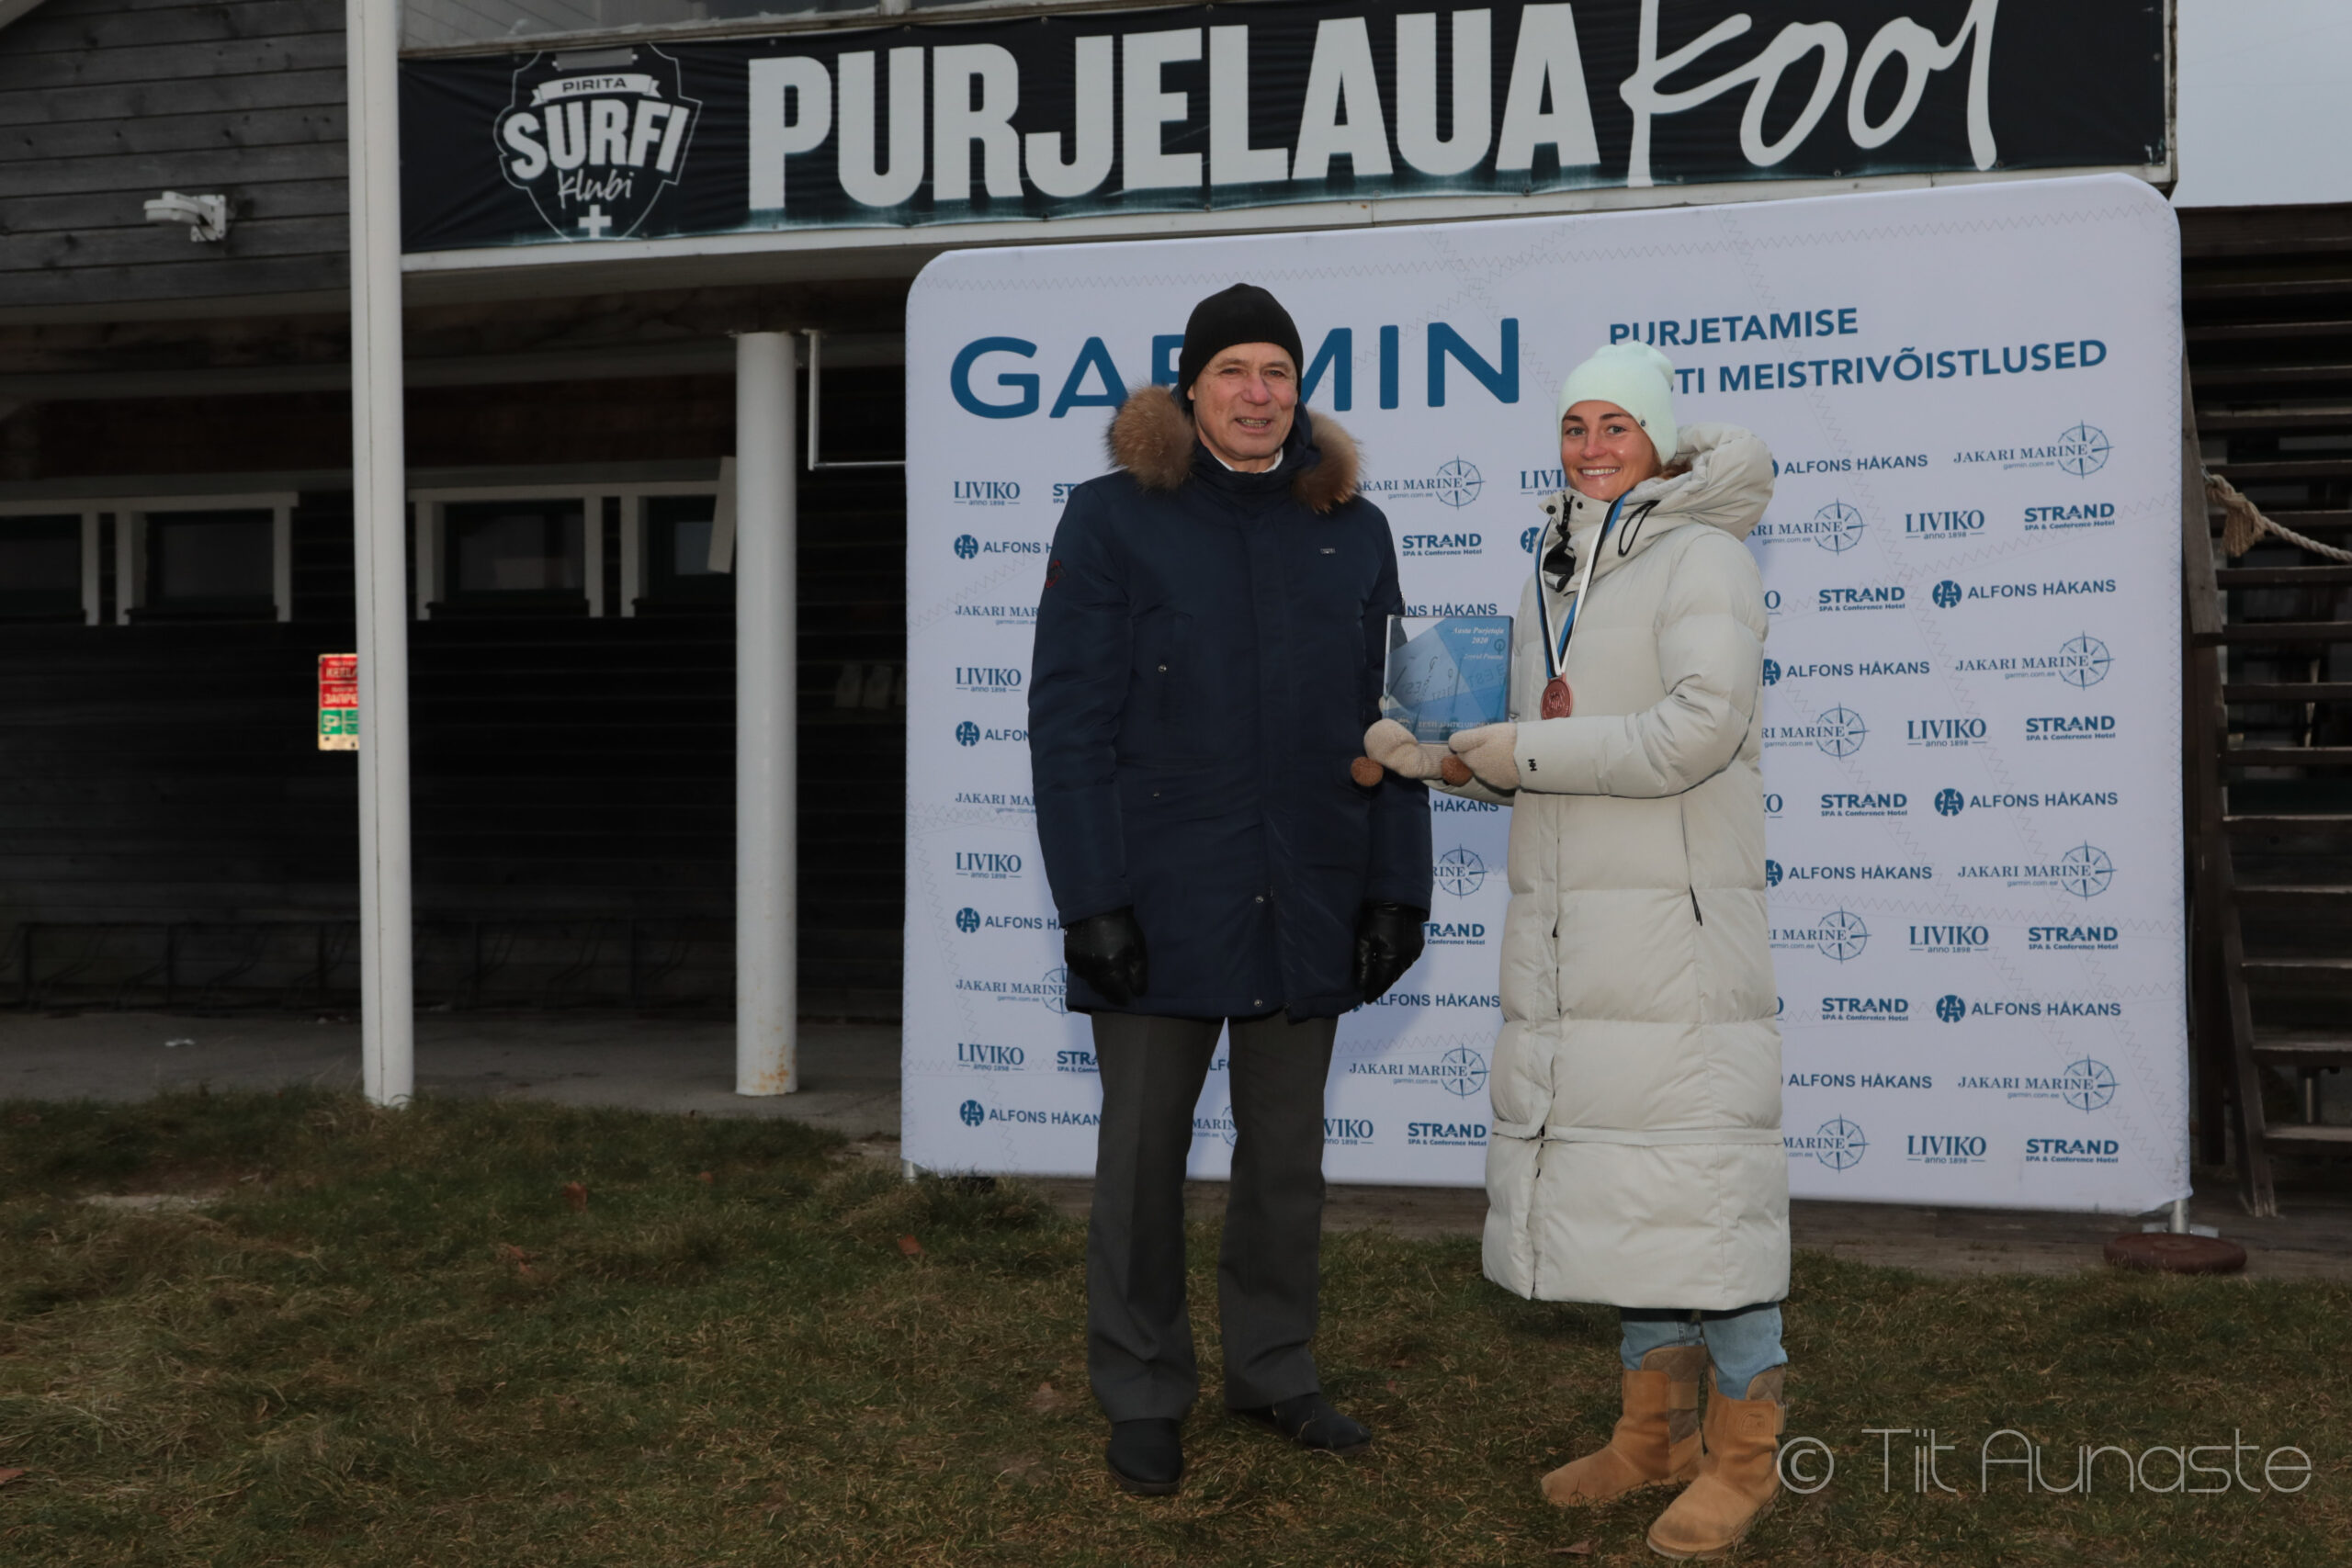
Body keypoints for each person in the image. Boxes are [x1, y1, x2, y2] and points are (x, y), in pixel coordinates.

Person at [1366, 342, 1790, 1560]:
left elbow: (1695, 732)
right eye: (1575, 427)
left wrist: (1520, 753)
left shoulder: (1706, 555)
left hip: (1676, 936)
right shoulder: (1556, 565)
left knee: (1706, 1194)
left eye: (1617, 426)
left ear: (1661, 440)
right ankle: (1648, 1435)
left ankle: (1742, 1456)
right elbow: (1542, 754)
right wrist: (1444, 755)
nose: (1593, 447)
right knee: (1630, 1183)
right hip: (1579, 930)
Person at [1029, 283, 1434, 1497]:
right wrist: (1089, 899)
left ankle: (1275, 1370)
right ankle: (1144, 1391)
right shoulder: (1112, 521)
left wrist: (1396, 890)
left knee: (1286, 1162)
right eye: (1235, 371)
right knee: (1143, 1161)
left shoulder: (1352, 527)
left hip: (1307, 893)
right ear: (1190, 385)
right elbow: (1068, 727)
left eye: (1278, 371)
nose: (1260, 393)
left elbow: (1400, 716)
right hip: (1155, 905)